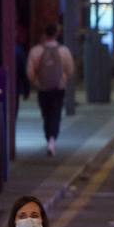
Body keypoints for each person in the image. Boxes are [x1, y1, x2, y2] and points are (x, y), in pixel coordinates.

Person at [25, 23, 74, 157]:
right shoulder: (64, 51)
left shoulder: (36, 51)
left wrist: (37, 82)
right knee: (55, 114)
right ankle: (52, 140)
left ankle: (49, 138)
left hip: (43, 89)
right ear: (56, 34)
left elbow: (29, 72)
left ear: (44, 34)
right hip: (58, 88)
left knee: (46, 115)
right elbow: (70, 70)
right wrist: (63, 80)